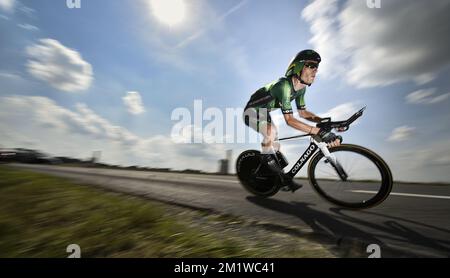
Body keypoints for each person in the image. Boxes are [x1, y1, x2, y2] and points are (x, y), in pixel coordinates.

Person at [243, 49, 343, 192]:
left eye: (317, 67)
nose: (315, 70)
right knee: (271, 132)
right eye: (311, 65)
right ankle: (265, 160)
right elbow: (289, 120)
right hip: (251, 111)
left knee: (276, 148)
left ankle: (282, 179)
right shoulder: (283, 85)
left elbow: (303, 113)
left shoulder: (301, 90)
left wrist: (324, 121)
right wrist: (317, 131)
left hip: (264, 112)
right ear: (297, 67)